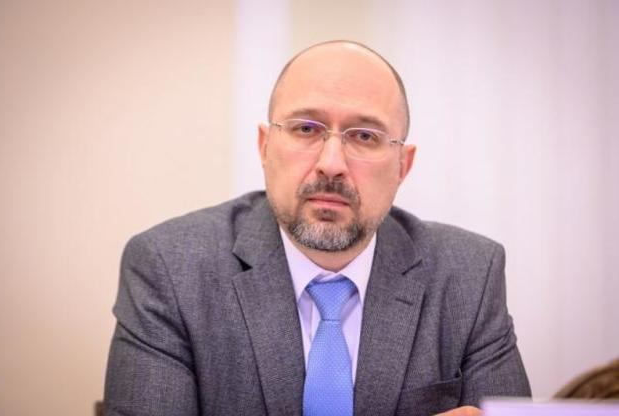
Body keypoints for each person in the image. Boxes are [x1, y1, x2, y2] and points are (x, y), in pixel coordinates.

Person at [104, 40, 531, 416]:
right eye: (306, 129)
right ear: (265, 147)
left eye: (364, 136)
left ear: (403, 165)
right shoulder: (169, 268)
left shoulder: (469, 275)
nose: (331, 164)